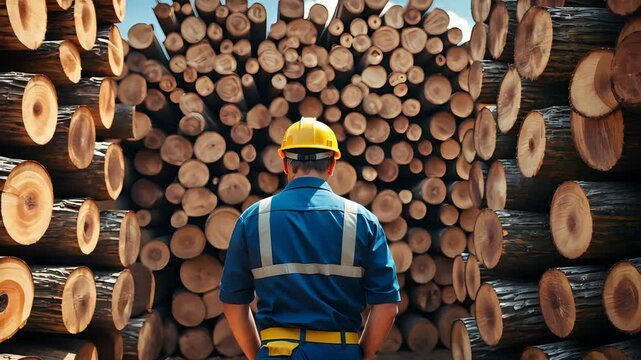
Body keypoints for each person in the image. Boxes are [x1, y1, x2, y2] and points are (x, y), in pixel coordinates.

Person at [220, 117, 400, 360]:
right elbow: (387, 307)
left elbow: (233, 304)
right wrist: (360, 355)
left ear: (285, 164)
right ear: (331, 166)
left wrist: (258, 355)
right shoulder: (362, 219)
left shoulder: (253, 219)